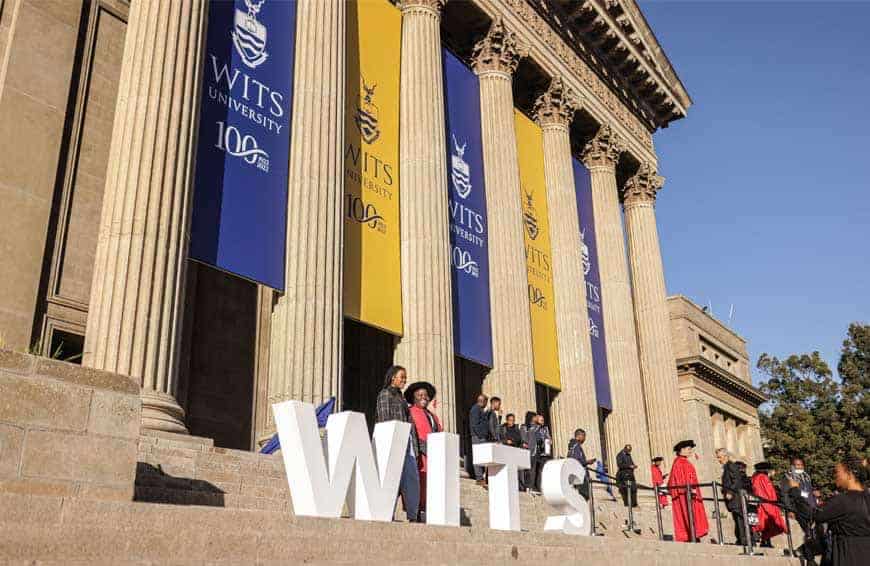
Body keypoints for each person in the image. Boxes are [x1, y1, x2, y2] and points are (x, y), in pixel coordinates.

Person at [788, 456, 870, 566]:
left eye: (837, 472)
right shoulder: (866, 498)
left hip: (848, 555)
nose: (835, 476)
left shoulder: (843, 500)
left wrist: (795, 491)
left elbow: (813, 515)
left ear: (849, 475)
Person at [376, 365, 420, 522]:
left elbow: (410, 424)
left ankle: (413, 515)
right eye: (402, 376)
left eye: (405, 377)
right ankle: (388, 513)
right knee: (392, 479)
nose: (404, 380)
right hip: (392, 443)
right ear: (393, 377)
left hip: (407, 444)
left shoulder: (402, 399)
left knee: (412, 479)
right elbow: (383, 419)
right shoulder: (385, 394)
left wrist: (415, 447)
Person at [406, 381, 441, 521]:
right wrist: (424, 449)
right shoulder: (410, 411)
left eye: (426, 395)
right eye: (420, 395)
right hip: (419, 455)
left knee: (431, 485)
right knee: (419, 483)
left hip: (434, 455)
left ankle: (427, 511)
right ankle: (416, 513)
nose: (423, 397)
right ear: (414, 397)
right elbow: (411, 434)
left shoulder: (433, 416)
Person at [668, 439, 709, 542]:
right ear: (681, 450)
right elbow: (679, 481)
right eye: (688, 449)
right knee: (688, 513)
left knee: (693, 514)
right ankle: (691, 535)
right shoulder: (679, 463)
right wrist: (690, 490)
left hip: (690, 493)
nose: (690, 451)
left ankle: (694, 534)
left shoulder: (684, 462)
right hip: (685, 495)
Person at [717, 448, 750, 546]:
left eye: (719, 457)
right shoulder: (727, 467)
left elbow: (737, 480)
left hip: (736, 498)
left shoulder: (731, 466)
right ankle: (741, 539)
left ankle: (744, 541)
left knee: (740, 519)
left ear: (726, 456)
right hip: (733, 499)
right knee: (737, 519)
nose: (719, 460)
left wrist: (730, 492)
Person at [751, 462, 786, 547]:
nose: (774, 472)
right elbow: (763, 492)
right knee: (766, 524)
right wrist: (769, 504)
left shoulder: (760, 477)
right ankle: (764, 541)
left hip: (767, 503)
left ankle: (766, 541)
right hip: (766, 504)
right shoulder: (762, 477)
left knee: (768, 524)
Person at [567, 428, 595, 499]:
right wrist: (587, 462)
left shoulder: (573, 445)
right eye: (584, 436)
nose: (585, 438)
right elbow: (575, 461)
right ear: (579, 436)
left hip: (577, 475)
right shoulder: (576, 446)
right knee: (584, 496)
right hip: (580, 476)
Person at [468, 394, 489, 484]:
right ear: (483, 401)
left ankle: (482, 477)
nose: (486, 404)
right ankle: (479, 477)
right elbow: (475, 424)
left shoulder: (479, 409)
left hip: (479, 436)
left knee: (482, 456)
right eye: (486, 402)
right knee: (478, 456)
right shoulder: (475, 409)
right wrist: (481, 435)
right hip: (477, 437)